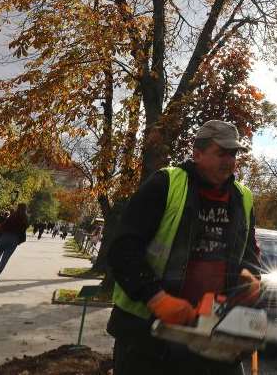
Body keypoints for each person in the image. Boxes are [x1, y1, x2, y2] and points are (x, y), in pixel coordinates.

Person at [107, 120, 262, 375]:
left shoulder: (242, 197)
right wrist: (156, 298)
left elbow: (249, 253)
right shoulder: (165, 184)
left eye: (233, 154)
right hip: (147, 336)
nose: (229, 161)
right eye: (221, 153)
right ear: (197, 153)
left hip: (211, 332)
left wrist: (250, 279)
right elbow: (123, 248)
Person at [0, 203, 28, 283]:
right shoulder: (25, 219)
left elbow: (4, 225)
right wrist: (18, 241)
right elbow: (23, 232)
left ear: (18, 208)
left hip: (5, 237)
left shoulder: (13, 215)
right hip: (14, 240)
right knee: (4, 260)